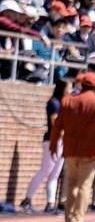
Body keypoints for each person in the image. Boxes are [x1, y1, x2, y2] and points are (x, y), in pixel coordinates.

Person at [49, 71, 95, 222]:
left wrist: (53, 144)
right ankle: (77, 220)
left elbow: (57, 125)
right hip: (91, 149)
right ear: (94, 87)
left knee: (71, 183)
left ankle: (68, 218)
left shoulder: (67, 101)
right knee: (84, 186)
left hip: (71, 149)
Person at [19, 76, 68, 213]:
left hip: (62, 142)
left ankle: (50, 204)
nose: (69, 91)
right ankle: (27, 200)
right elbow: (54, 122)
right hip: (52, 140)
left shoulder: (64, 103)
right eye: (68, 88)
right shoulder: (54, 103)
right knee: (45, 170)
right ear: (62, 88)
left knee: (54, 174)